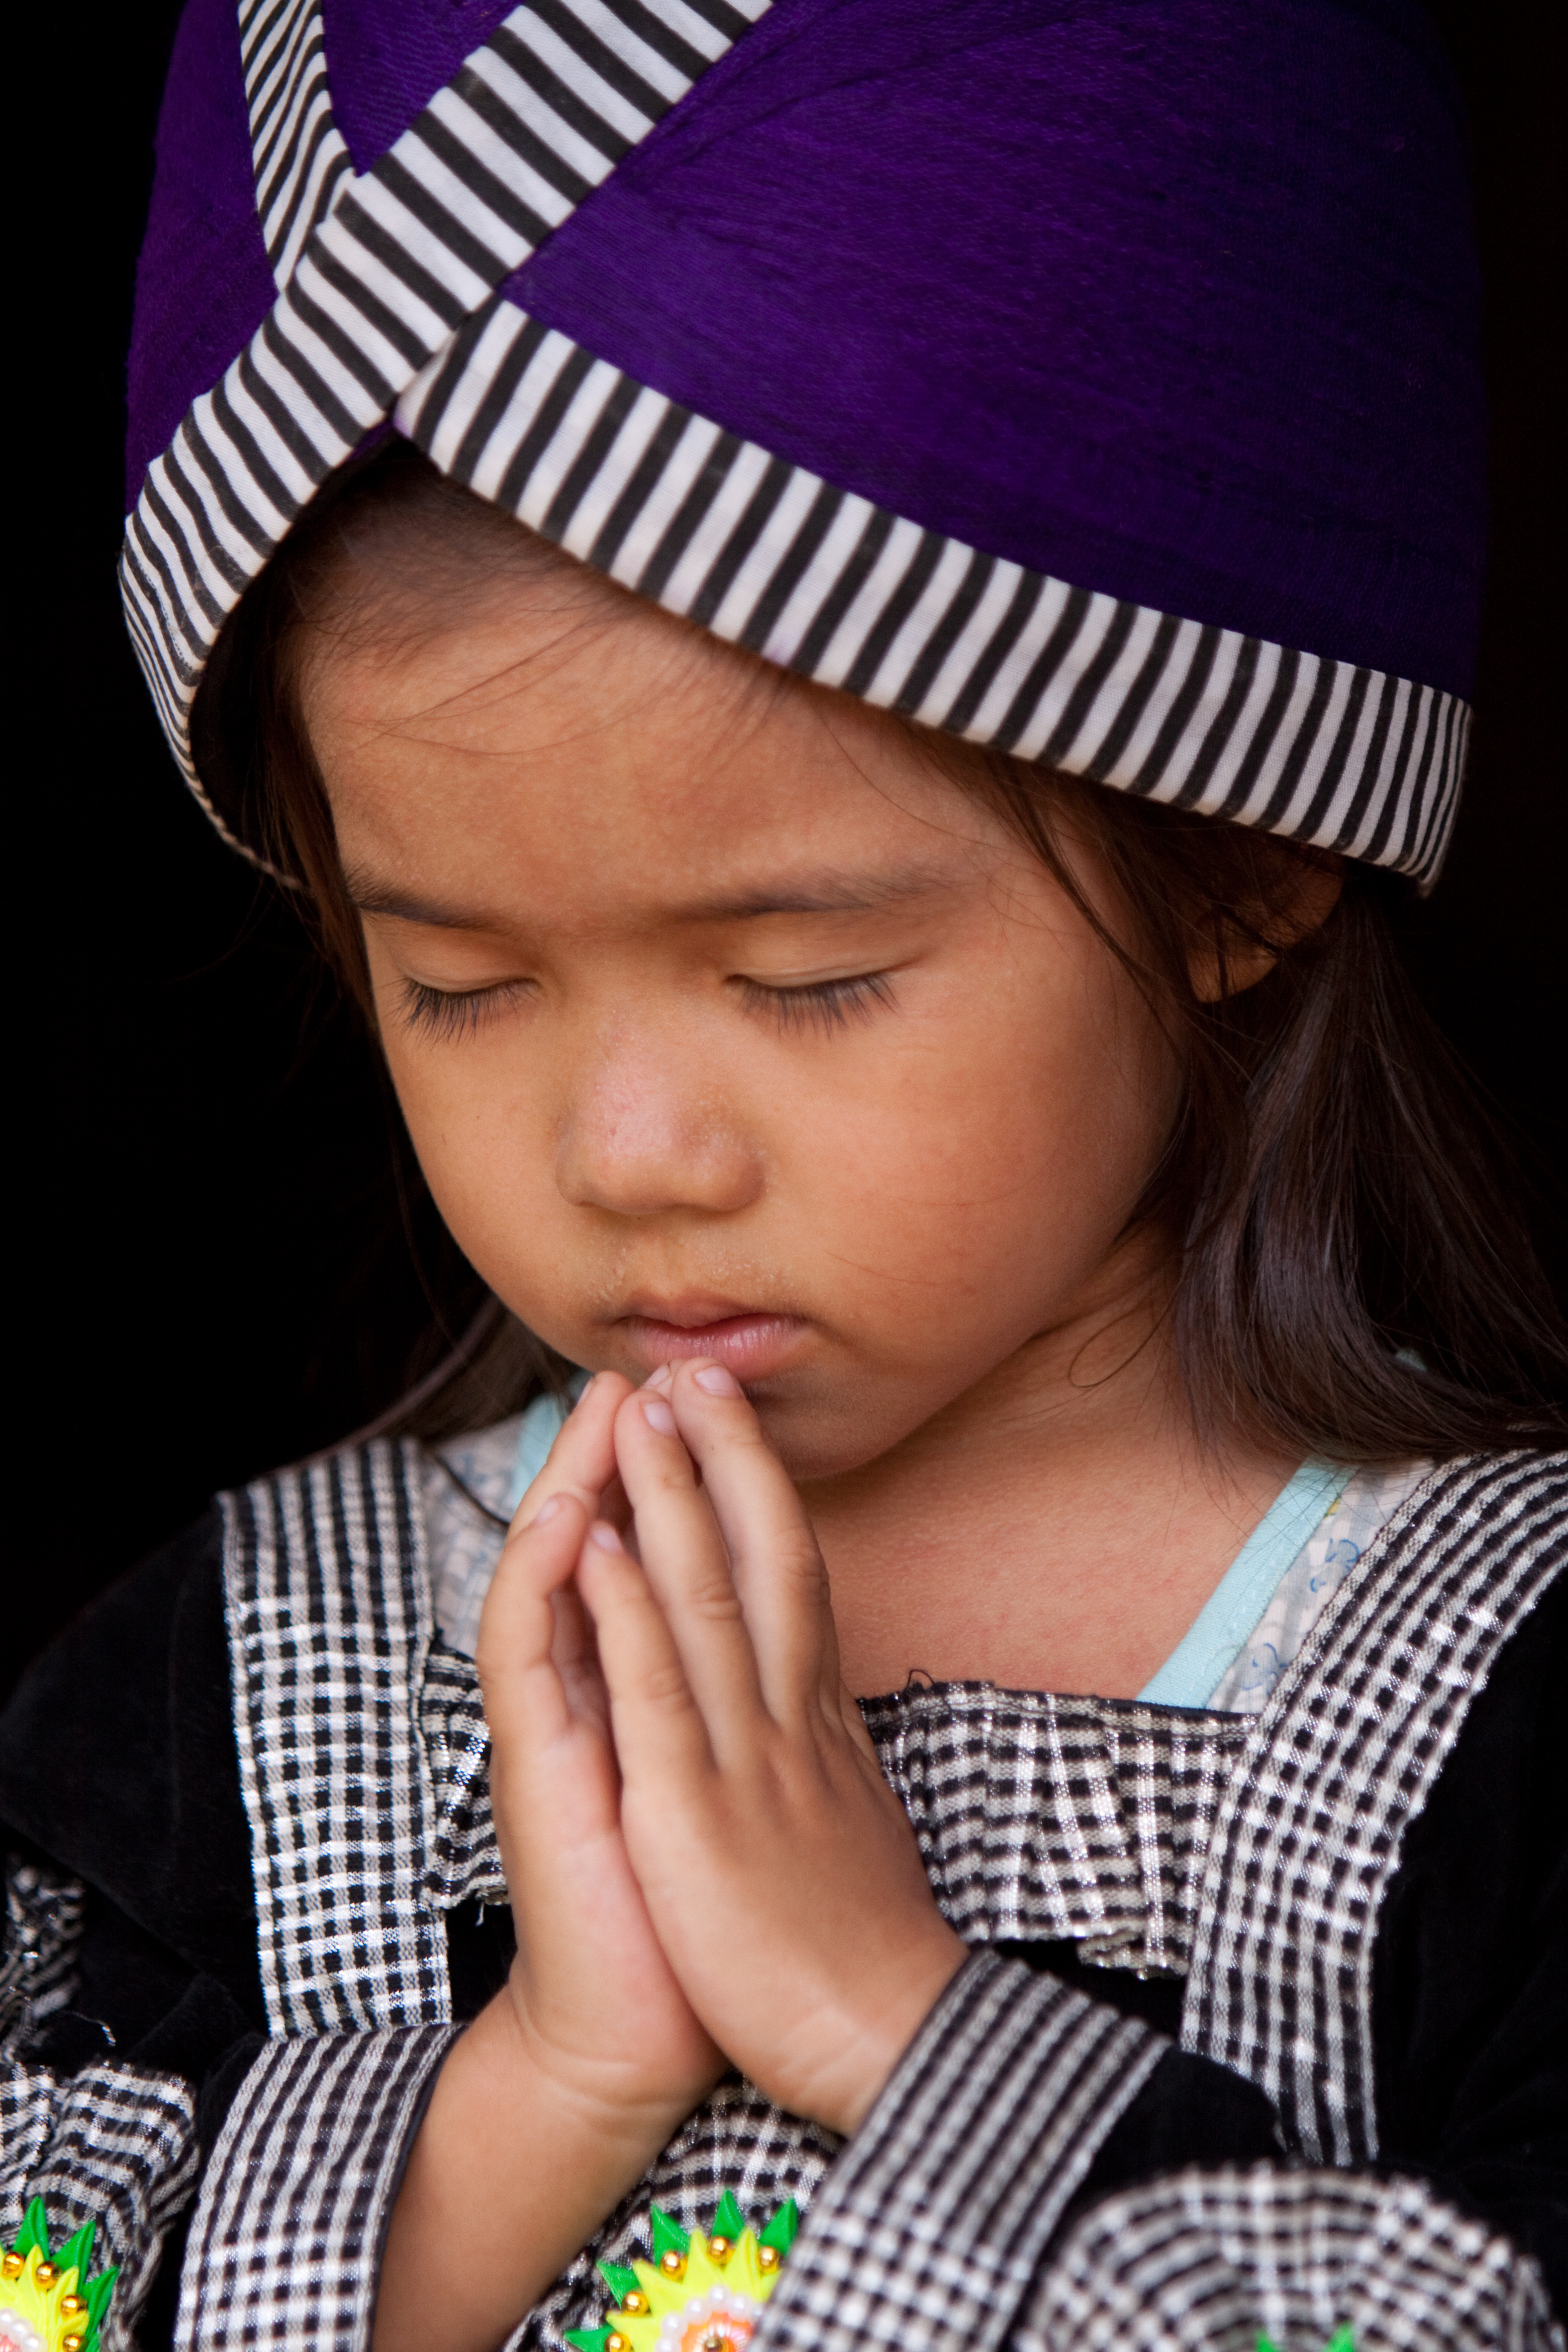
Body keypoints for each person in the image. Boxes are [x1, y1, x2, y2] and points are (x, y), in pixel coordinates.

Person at [3, 0, 1564, 2346]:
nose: (626, 1154)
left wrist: (902, 2030)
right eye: (463, 985)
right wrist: (545, 2084)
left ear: (1243, 868)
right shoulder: (224, 1687)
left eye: (808, 976)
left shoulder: (1508, 1705)